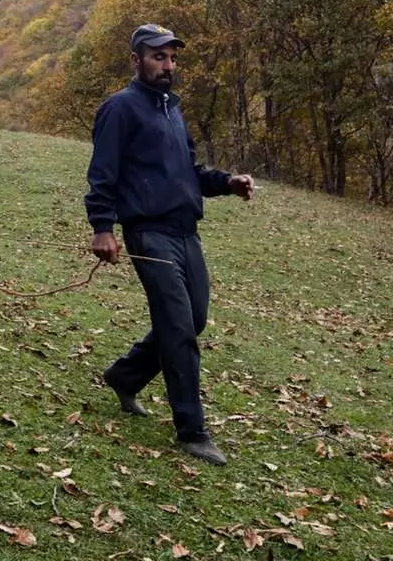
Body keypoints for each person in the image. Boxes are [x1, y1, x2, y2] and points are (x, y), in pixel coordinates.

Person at [85, 23, 254, 466]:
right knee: (177, 327)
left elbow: (190, 172)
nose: (168, 65)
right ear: (136, 59)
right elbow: (102, 173)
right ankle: (192, 430)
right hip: (149, 232)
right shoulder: (120, 109)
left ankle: (125, 375)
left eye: (173, 58)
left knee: (192, 319)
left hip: (185, 231)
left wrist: (228, 183)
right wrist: (103, 228)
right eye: (159, 56)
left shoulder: (172, 110)